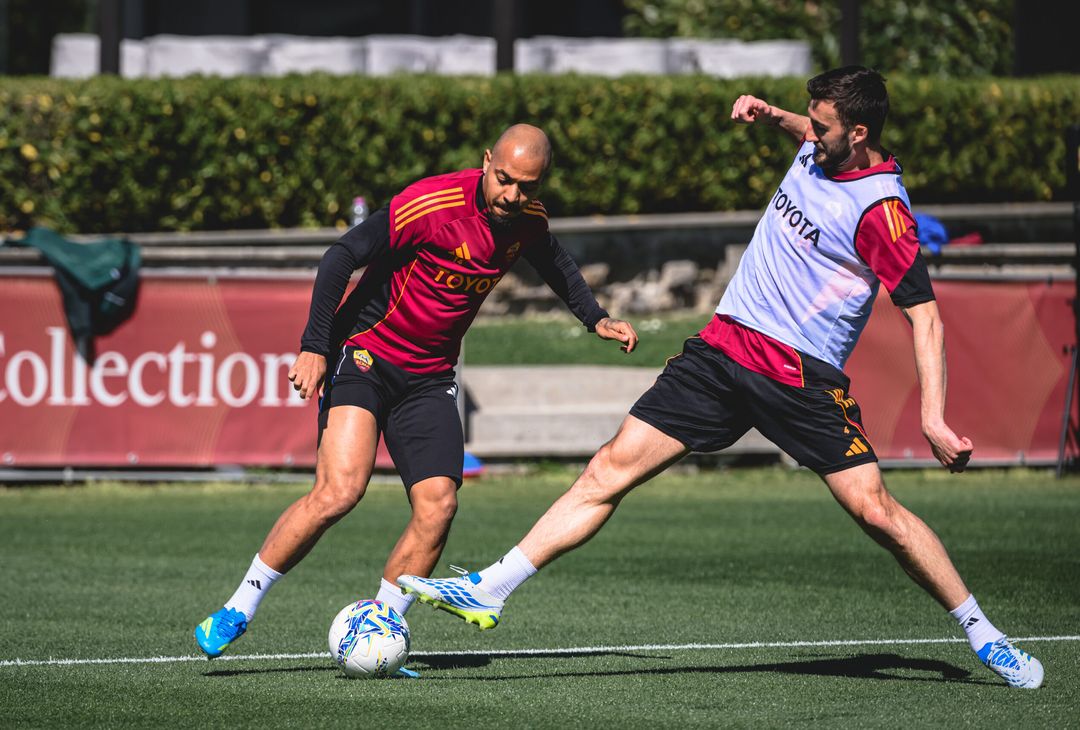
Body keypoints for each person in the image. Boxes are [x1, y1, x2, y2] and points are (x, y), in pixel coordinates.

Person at [397, 68, 1044, 689]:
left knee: (876, 512)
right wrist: (771, 114)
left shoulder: (881, 212)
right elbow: (804, 129)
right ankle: (492, 588)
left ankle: (983, 632)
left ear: (859, 134)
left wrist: (933, 417)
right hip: (722, 349)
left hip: (798, 376)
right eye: (808, 120)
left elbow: (925, 317)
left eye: (820, 126)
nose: (809, 133)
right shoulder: (820, 145)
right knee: (609, 468)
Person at [193, 124, 639, 674]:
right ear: (486, 161)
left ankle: (381, 626)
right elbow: (341, 257)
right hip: (364, 353)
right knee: (339, 492)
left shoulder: (527, 218)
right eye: (504, 179)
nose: (512, 195)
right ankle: (240, 606)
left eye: (527, 186)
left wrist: (595, 318)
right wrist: (313, 347)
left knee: (439, 506)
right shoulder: (431, 204)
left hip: (429, 377)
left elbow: (553, 261)